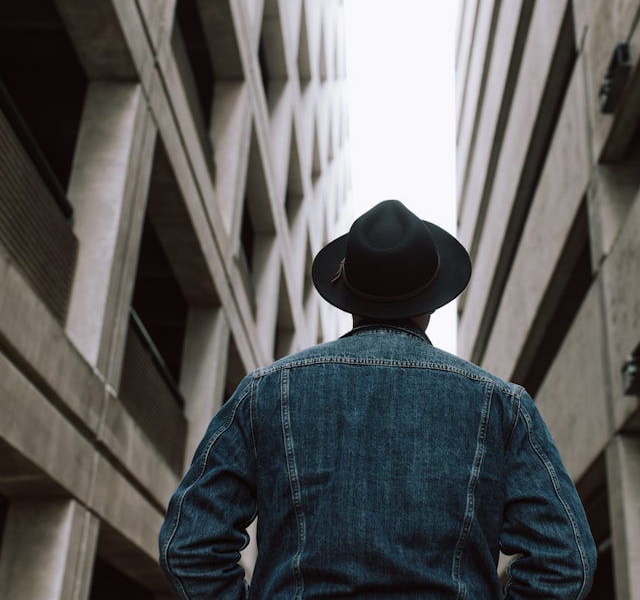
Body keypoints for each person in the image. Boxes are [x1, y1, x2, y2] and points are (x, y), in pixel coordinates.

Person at [159, 199, 596, 598]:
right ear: (432, 301)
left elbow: (190, 545)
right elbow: (564, 561)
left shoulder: (267, 393)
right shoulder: (502, 405)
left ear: (350, 298)